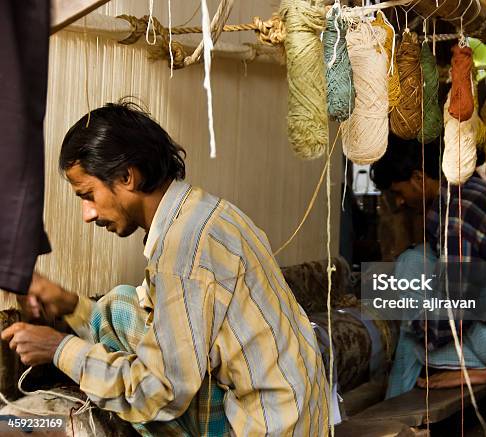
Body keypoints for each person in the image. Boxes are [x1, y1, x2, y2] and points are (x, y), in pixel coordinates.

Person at [1, 101, 329, 436]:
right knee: (121, 304)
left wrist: (58, 349)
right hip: (304, 416)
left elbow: (158, 392)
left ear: (128, 176)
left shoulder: (182, 254)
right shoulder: (208, 212)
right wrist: (69, 304)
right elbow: (162, 326)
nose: (87, 214)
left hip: (267, 429)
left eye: (88, 195)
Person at [370, 134, 486, 399]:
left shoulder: (455, 219)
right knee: (412, 259)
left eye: (398, 192)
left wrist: (417, 331)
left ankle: (394, 417)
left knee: (410, 341)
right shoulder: (465, 187)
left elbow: (458, 311)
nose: (400, 202)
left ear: (419, 178)